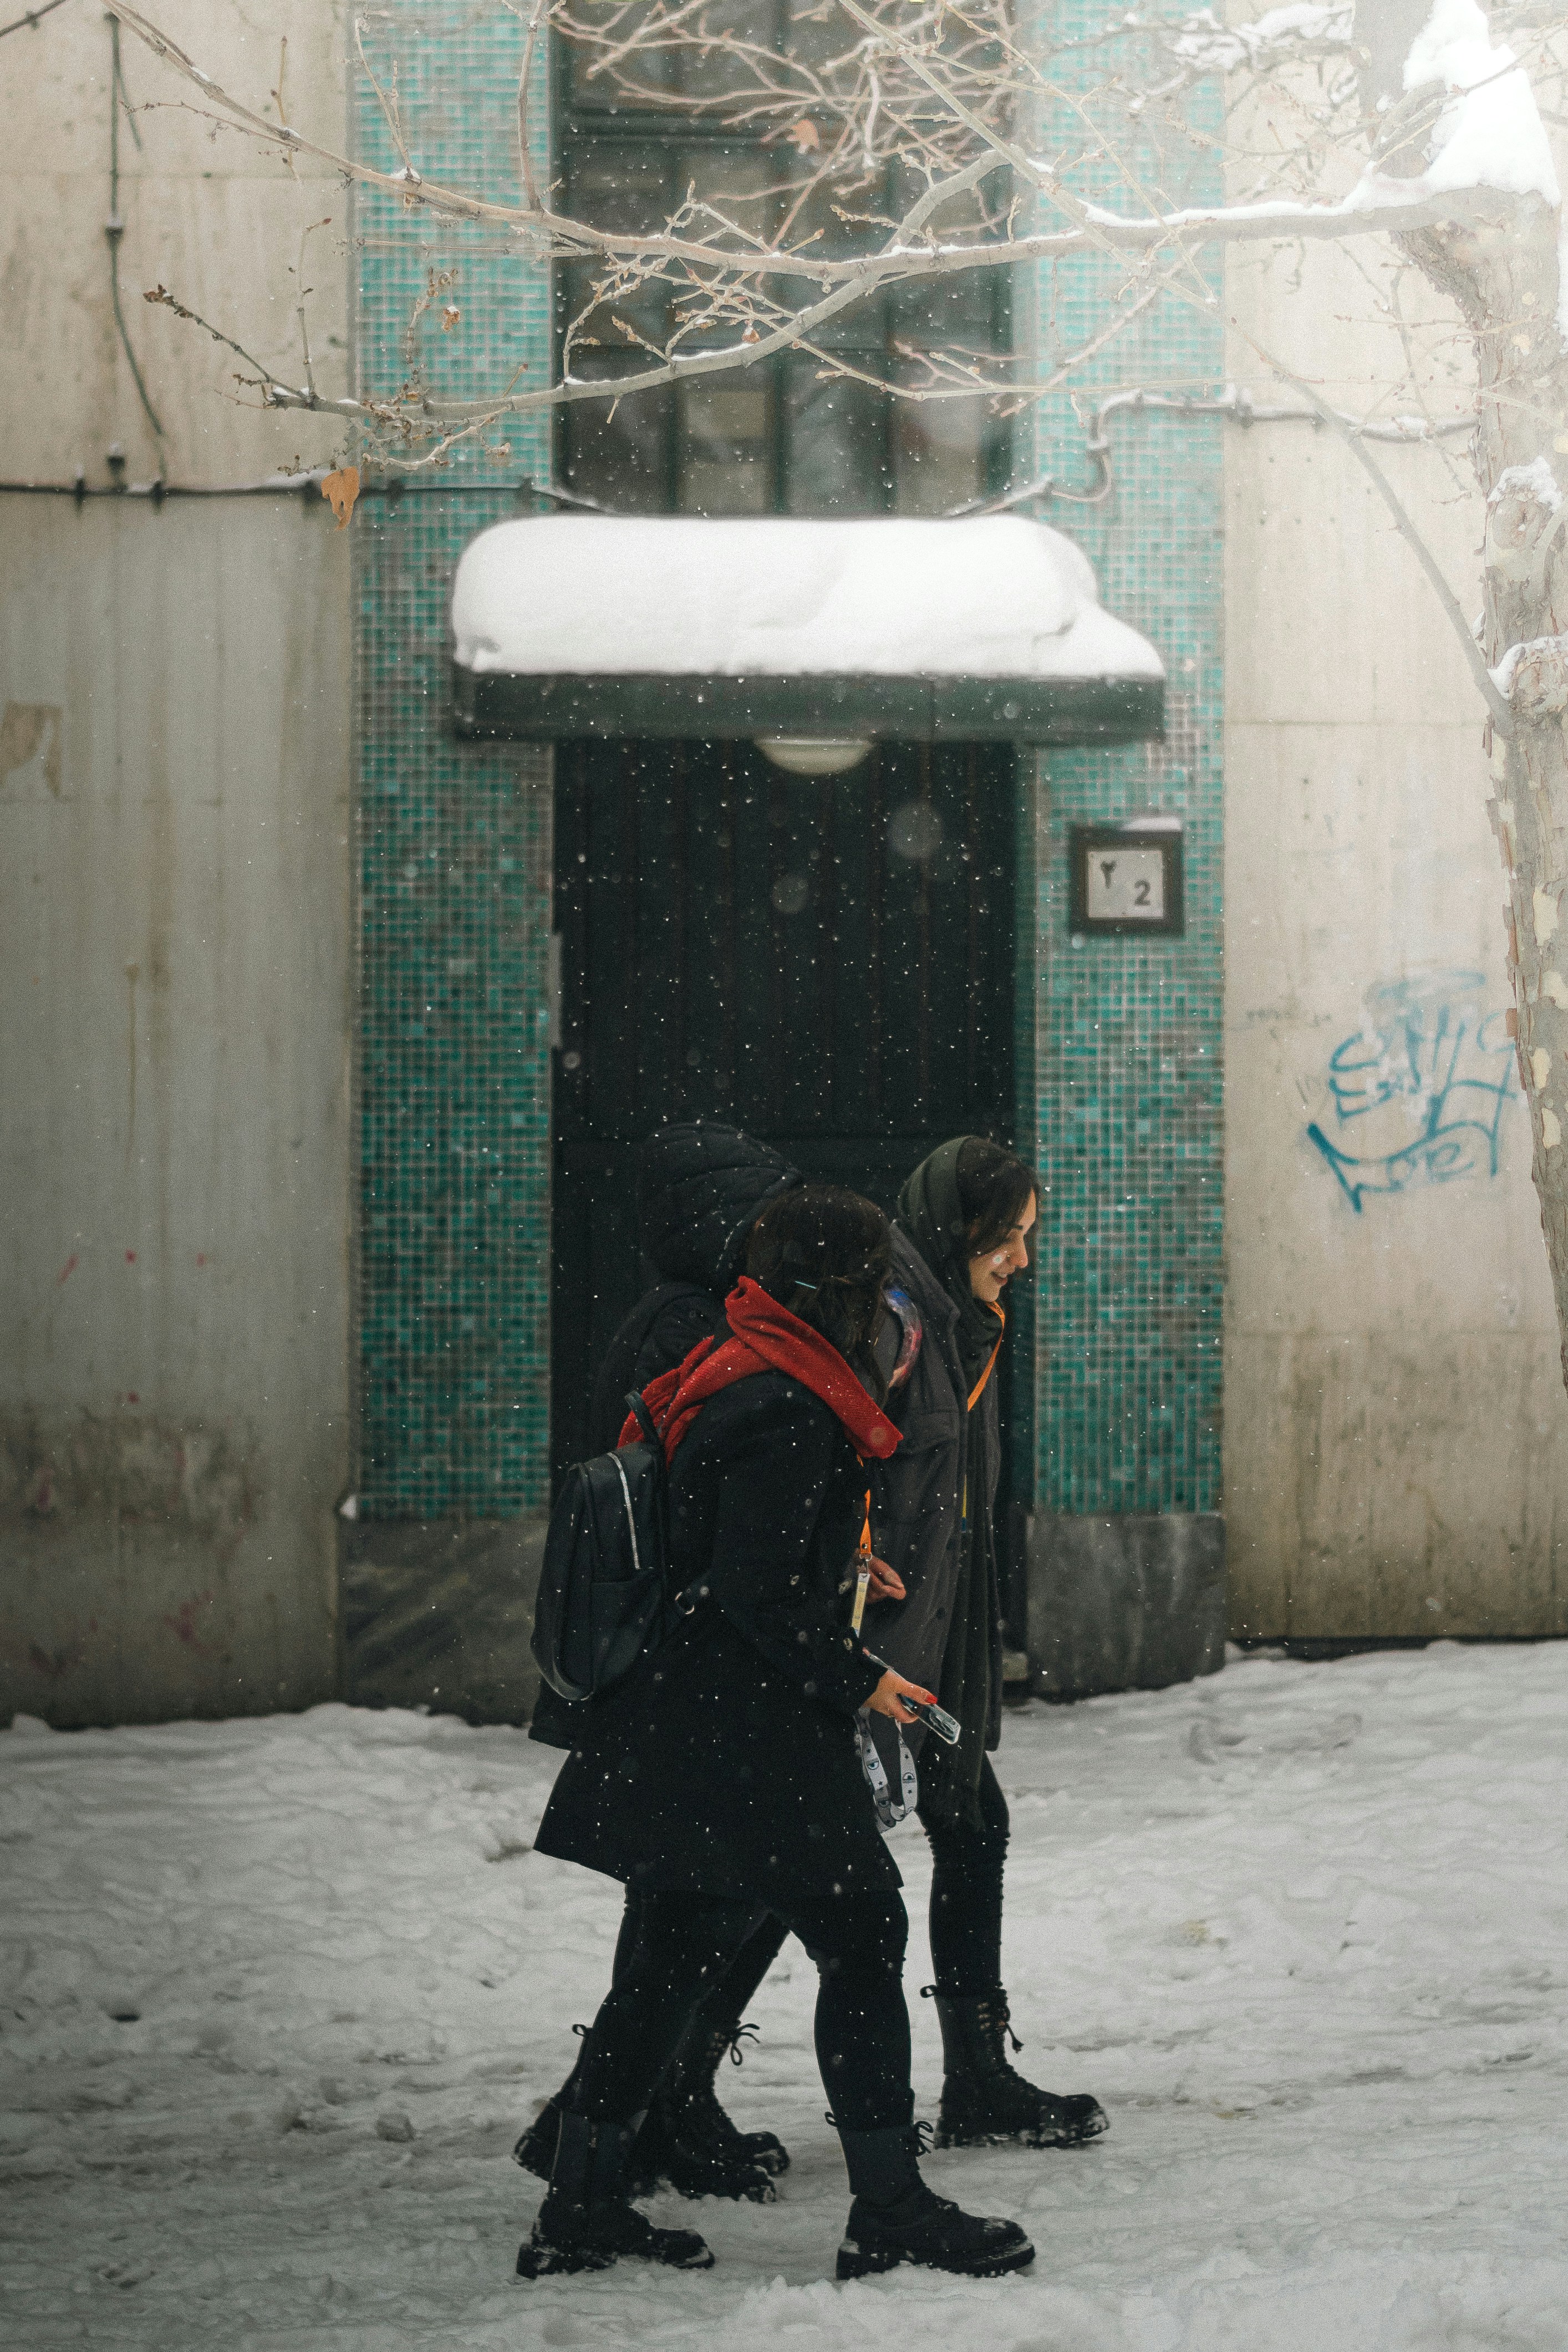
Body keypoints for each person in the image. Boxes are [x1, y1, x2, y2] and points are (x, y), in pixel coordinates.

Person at [516, 1187, 1034, 2283]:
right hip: (750, 1731)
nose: (879, 1309)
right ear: (832, 1291)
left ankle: (582, 2200)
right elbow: (753, 1594)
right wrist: (863, 1677)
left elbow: (723, 1544)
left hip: (689, 1717)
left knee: (671, 1960)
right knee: (863, 1931)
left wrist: (836, 1558)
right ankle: (889, 2207)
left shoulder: (743, 1367)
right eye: (868, 1287)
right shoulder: (792, 1407)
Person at [521, 1119, 802, 2202]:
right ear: (722, 1223)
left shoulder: (691, 1317)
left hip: (679, 1651)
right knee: (698, 1895)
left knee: (703, 1895)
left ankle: (639, 2107)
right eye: (764, 1218)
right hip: (680, 1657)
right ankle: (638, 2114)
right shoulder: (687, 1326)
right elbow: (691, 1492)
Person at [866, 1135, 1107, 2151]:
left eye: (1027, 1235)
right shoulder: (892, 1321)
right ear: (953, 1227)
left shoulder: (966, 1326)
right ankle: (639, 2098)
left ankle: (977, 2079)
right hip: (872, 1655)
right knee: (790, 1880)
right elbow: (832, 1463)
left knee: (971, 1823)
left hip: (936, 1647)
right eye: (1006, 1236)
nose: (1021, 1258)